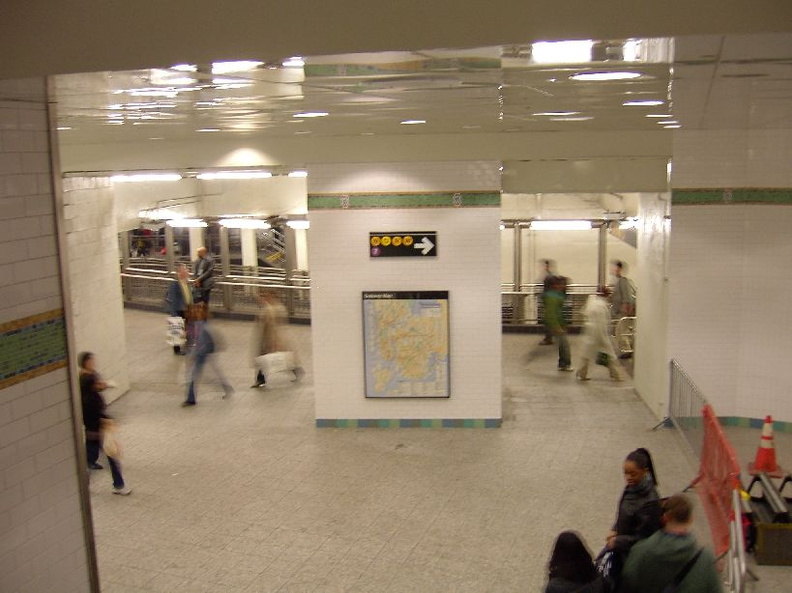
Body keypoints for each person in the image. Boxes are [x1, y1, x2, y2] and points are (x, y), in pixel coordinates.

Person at [620, 494, 723, 593]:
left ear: (665, 517)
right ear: (690, 519)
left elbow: (627, 582)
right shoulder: (706, 560)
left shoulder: (641, 551)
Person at [603, 448, 662, 583]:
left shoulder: (650, 502)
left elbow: (646, 538)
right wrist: (615, 528)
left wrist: (618, 541)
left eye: (633, 474)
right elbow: (624, 513)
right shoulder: (631, 488)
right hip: (622, 550)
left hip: (635, 558)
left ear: (645, 472)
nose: (628, 478)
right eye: (626, 473)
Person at [78, 352, 131, 495]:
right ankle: (119, 485)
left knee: (92, 457)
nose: (94, 362)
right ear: (86, 362)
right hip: (96, 424)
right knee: (109, 454)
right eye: (91, 360)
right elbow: (98, 386)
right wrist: (108, 384)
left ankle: (85, 485)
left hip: (95, 423)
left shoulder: (88, 375)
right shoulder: (86, 378)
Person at [251, 288, 303, 387]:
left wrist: (276, 340)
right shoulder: (268, 307)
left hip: (273, 337)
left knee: (273, 358)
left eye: (265, 295)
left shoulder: (277, 308)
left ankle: (295, 370)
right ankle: (261, 379)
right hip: (267, 337)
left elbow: (276, 325)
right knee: (268, 358)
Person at [576, 286, 623, 382]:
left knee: (586, 355)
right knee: (609, 355)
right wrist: (605, 339)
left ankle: (581, 373)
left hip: (590, 331)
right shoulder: (601, 306)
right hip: (598, 332)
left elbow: (585, 314)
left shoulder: (592, 302)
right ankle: (616, 375)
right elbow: (601, 324)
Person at [183, 321, 233, 406]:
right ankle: (226, 386)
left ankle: (191, 399)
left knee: (194, 375)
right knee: (212, 372)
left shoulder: (198, 325)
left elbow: (199, 342)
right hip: (204, 351)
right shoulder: (197, 324)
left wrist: (193, 355)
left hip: (201, 353)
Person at [543, 275, 573, 371]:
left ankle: (563, 363)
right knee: (564, 345)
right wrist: (557, 326)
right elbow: (551, 313)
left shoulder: (555, 295)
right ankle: (565, 363)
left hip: (558, 323)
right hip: (556, 324)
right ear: (555, 285)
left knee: (562, 345)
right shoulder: (553, 297)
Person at [164, 264, 193, 354]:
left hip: (187, 308)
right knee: (176, 329)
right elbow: (172, 299)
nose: (187, 271)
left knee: (189, 327)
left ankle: (188, 344)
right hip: (178, 309)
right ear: (180, 272)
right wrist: (173, 314)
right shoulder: (175, 284)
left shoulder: (187, 283)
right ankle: (177, 350)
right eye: (185, 270)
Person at [539, 259, 556, 346]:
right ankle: (549, 337)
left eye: (545, 265)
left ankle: (548, 338)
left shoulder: (548, 277)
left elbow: (547, 290)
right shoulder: (551, 276)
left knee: (547, 320)